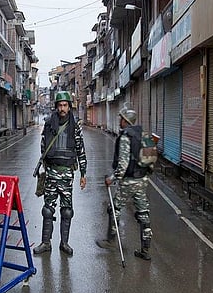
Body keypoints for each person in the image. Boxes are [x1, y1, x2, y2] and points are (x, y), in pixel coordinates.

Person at [33, 91, 87, 256]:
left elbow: (81, 150)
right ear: (56, 107)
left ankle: (64, 243)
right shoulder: (49, 124)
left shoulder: (75, 126)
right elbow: (43, 147)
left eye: (65, 105)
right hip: (51, 173)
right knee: (48, 209)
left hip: (66, 175)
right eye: (60, 105)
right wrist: (46, 168)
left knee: (67, 210)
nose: (62, 108)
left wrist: (83, 174)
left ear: (69, 107)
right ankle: (45, 242)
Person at [96, 105, 153, 261]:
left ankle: (111, 240)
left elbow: (123, 164)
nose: (119, 120)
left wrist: (112, 178)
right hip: (142, 180)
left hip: (128, 181)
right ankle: (145, 249)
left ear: (126, 120)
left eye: (121, 118)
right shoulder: (143, 134)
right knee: (143, 213)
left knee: (114, 209)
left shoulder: (126, 137)